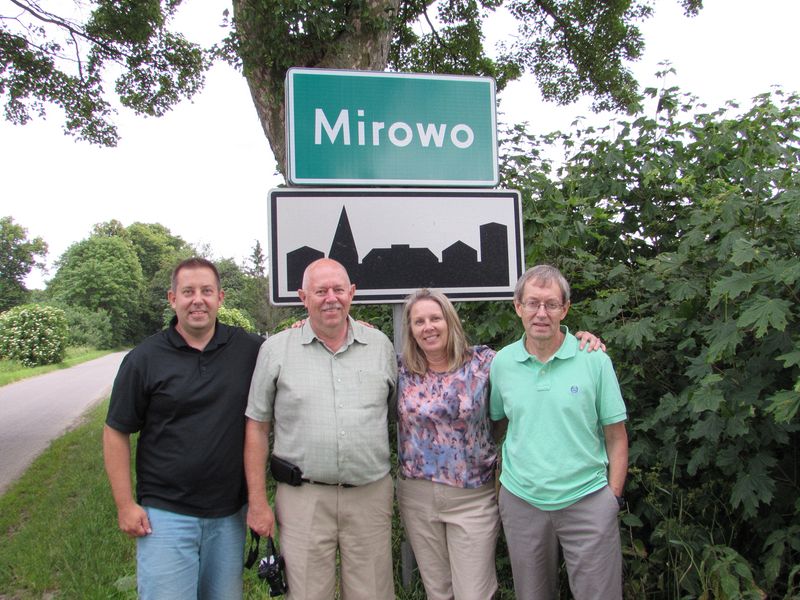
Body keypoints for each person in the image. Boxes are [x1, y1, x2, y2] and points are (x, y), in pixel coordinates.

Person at [396, 288, 604, 600]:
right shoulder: (399, 369)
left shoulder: (485, 363)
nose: (428, 327)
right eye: (419, 321)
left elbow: (535, 354)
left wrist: (581, 340)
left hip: (472, 497)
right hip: (417, 495)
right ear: (410, 330)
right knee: (437, 591)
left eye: (435, 318)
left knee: (475, 593)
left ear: (450, 321)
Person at [102, 257, 264, 600]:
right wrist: (124, 504)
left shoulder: (249, 349)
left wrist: (347, 326)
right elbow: (116, 431)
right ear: (172, 298)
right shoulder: (144, 359)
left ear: (220, 297)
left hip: (229, 513)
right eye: (188, 291)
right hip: (165, 515)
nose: (197, 300)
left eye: (206, 291)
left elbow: (292, 351)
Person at [244, 258, 397, 600]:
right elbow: (256, 427)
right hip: (303, 499)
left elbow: (392, 413)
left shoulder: (381, 346)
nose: (331, 298)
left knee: (373, 592)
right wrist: (257, 502)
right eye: (321, 291)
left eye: (338, 289)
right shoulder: (275, 350)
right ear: (302, 297)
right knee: (308, 593)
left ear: (352, 293)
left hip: (369, 495)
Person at [489, 265, 628, 600]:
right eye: (533, 303)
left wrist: (613, 498)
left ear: (565, 309)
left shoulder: (593, 360)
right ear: (517, 307)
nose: (541, 313)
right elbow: (498, 425)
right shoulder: (502, 363)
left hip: (588, 499)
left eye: (551, 304)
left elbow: (617, 436)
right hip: (523, 501)